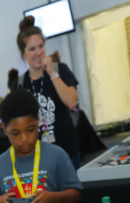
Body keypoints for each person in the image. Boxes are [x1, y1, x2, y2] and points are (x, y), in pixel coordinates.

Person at [0, 89, 82, 203]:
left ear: (38, 120)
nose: (24, 139)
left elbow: (75, 194)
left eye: (30, 130)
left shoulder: (56, 155)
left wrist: (51, 198)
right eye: (15, 133)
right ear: (5, 129)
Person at [17, 16, 83, 168]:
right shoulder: (19, 85)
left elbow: (72, 103)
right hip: (39, 159)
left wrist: (52, 73)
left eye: (41, 46)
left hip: (67, 153)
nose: (38, 52)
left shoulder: (61, 70)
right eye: (32, 49)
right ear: (23, 54)